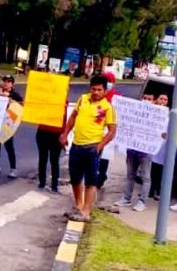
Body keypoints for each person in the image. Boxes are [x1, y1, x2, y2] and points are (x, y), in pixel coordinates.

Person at [60, 75, 117, 222]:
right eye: (93, 89)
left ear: (105, 91)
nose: (96, 92)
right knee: (75, 178)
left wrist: (100, 146)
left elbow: (112, 130)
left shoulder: (107, 107)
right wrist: (65, 134)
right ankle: (78, 205)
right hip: (76, 144)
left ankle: (86, 211)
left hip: (92, 147)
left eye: (99, 90)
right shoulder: (82, 99)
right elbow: (73, 117)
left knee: (91, 181)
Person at [114, 93, 156, 211]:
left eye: (150, 99)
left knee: (146, 177)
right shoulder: (133, 113)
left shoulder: (156, 116)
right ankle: (126, 198)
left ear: (154, 101)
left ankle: (142, 201)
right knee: (130, 175)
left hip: (146, 152)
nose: (147, 100)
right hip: (132, 150)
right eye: (145, 98)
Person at [0, 75, 23, 178]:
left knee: (9, 146)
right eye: (5, 80)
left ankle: (13, 169)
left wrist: (9, 99)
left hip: (8, 123)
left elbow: (22, 106)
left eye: (8, 81)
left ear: (12, 83)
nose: (6, 83)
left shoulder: (16, 95)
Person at [95, 71, 119, 188]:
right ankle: (94, 174)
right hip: (96, 129)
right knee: (95, 154)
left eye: (110, 81)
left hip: (109, 130)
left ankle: (101, 176)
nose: (108, 83)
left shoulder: (117, 97)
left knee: (105, 156)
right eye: (106, 81)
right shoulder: (98, 93)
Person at [36, 104, 67, 192]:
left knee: (53, 160)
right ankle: (43, 183)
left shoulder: (64, 102)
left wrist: (64, 135)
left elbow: (66, 119)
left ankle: (53, 185)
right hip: (44, 131)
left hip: (56, 134)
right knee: (44, 159)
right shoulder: (45, 100)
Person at [149, 93, 169, 200]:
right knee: (151, 169)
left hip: (163, 146)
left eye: (165, 100)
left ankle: (158, 191)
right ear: (157, 100)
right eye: (161, 98)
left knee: (160, 169)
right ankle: (150, 190)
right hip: (152, 144)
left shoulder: (169, 115)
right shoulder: (151, 112)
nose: (163, 101)